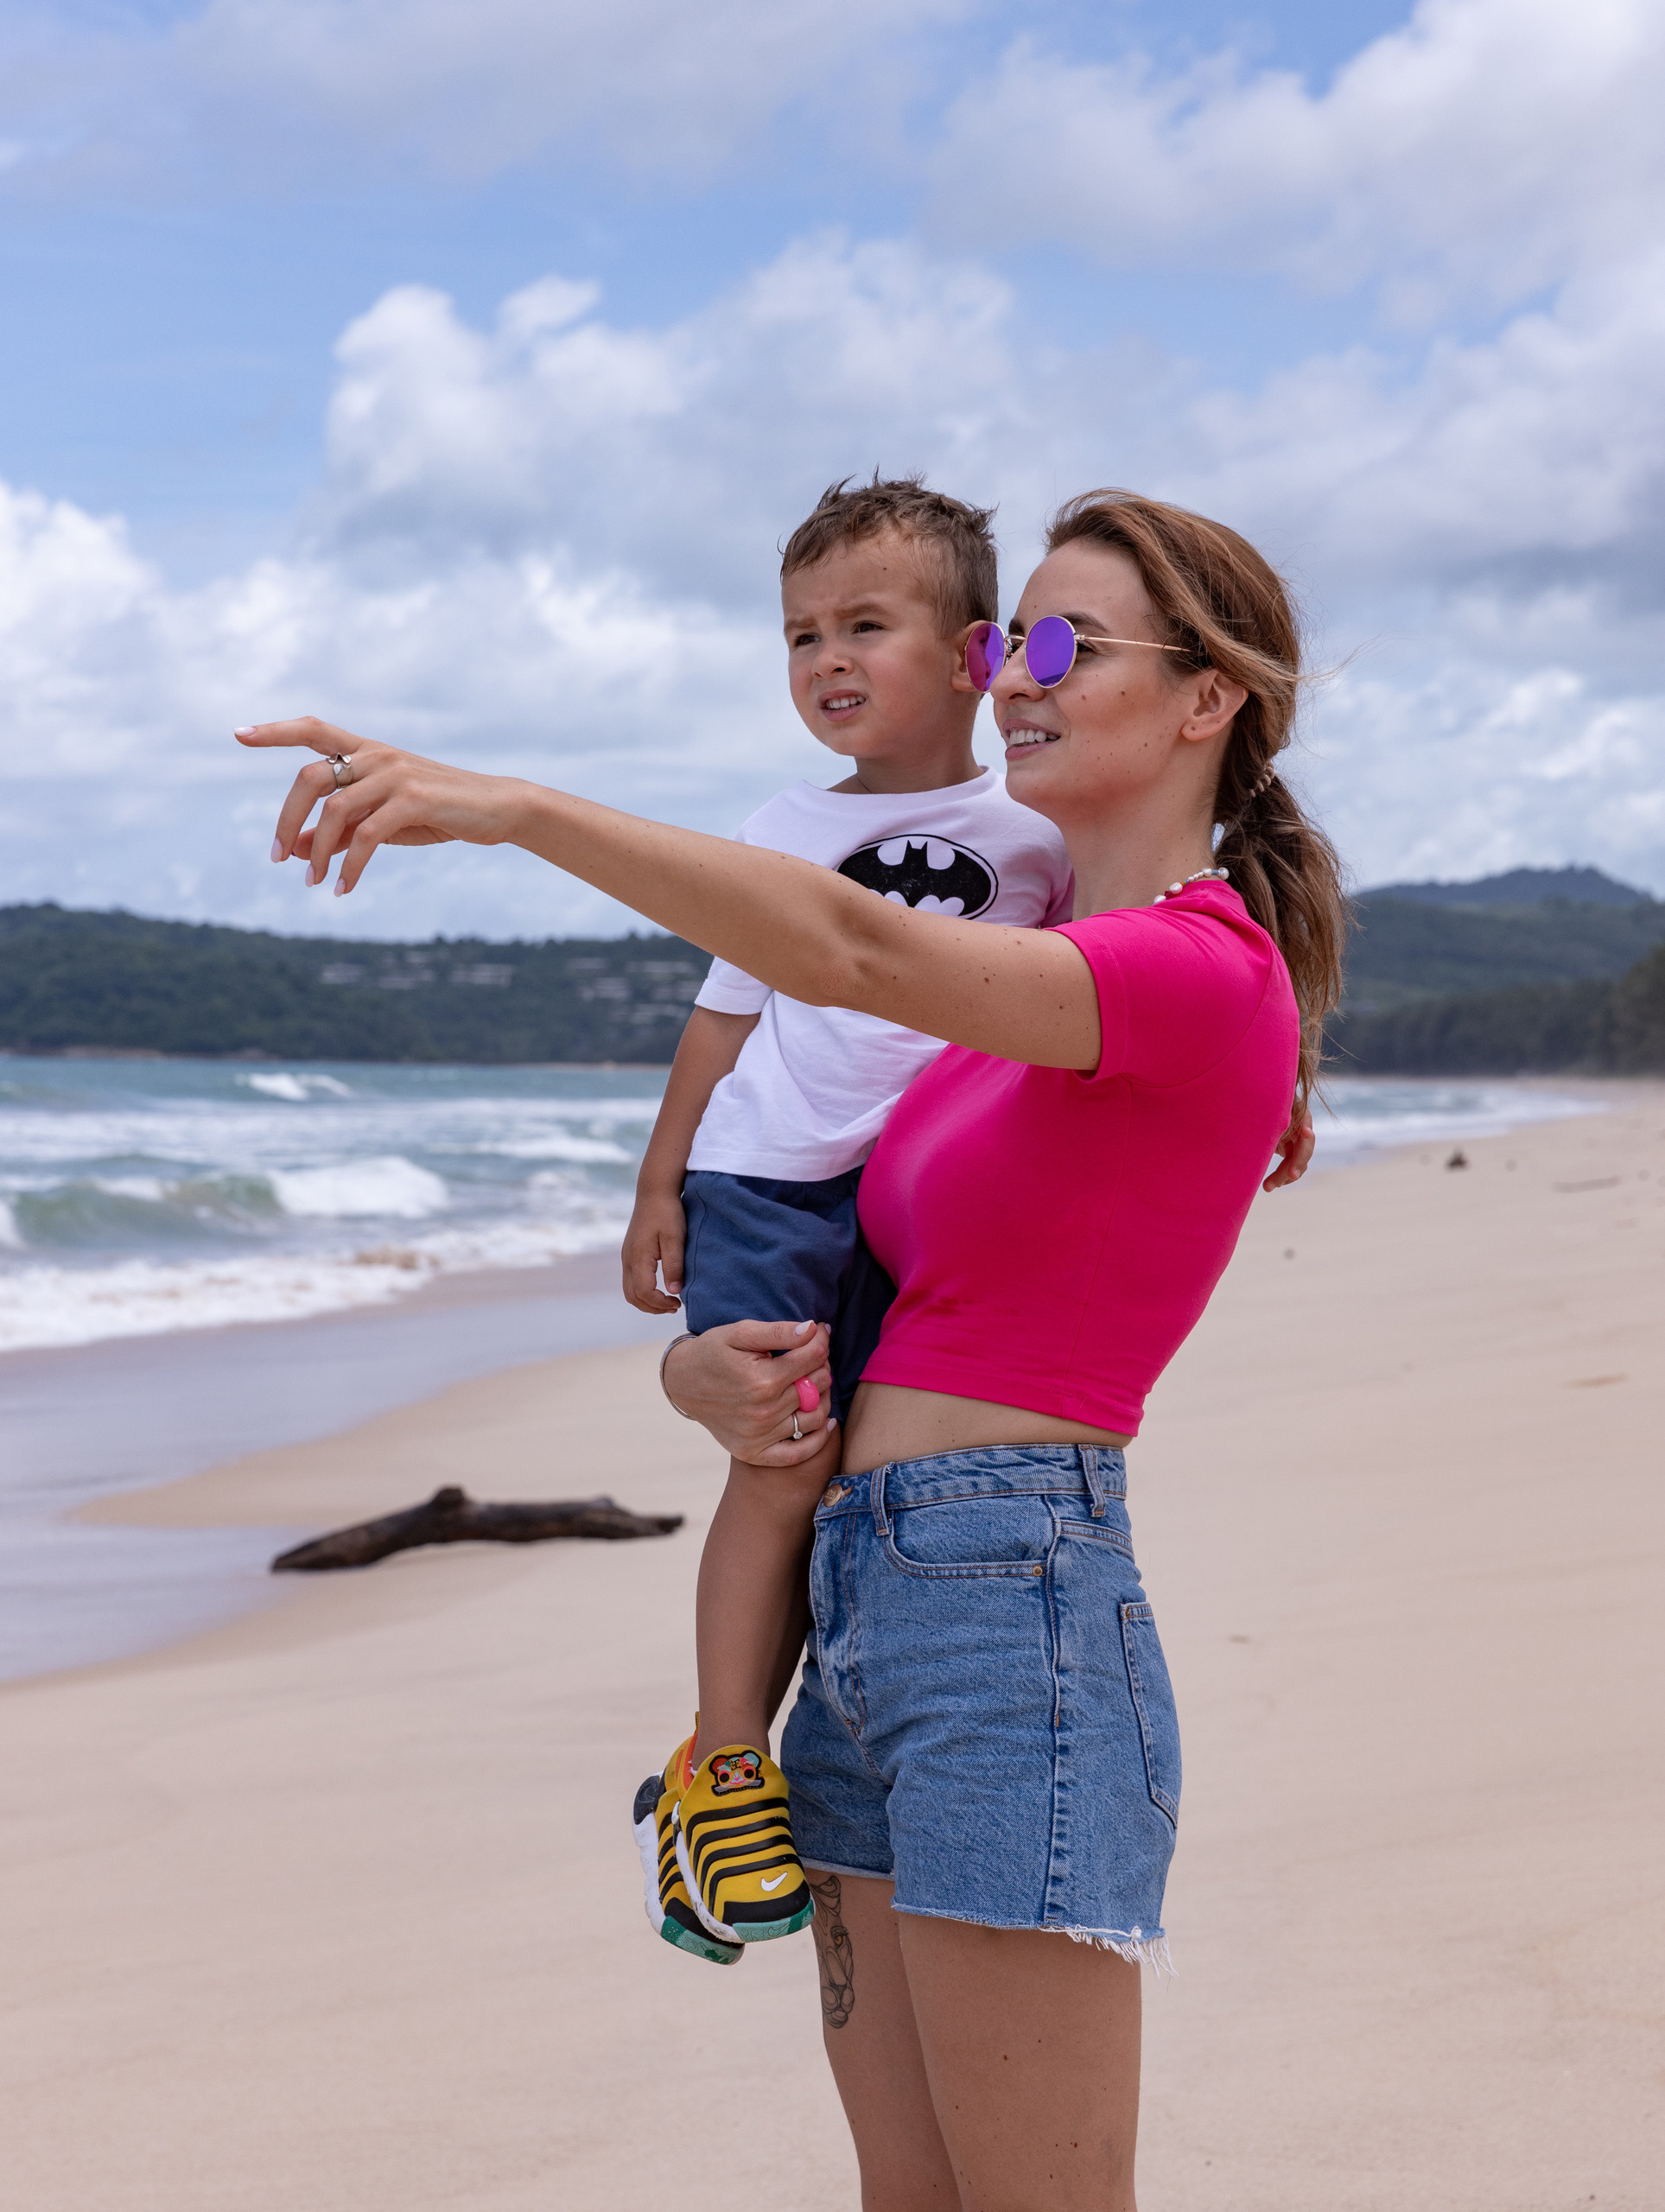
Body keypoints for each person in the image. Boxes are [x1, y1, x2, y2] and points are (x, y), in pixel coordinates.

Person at [238, 486, 1342, 2211]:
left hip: (1010, 1606)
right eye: (1009, 643)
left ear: (1207, 697)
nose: (1016, 676)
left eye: (1063, 644)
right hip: (867, 1601)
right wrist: (701, 1373)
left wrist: (514, 806)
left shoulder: (1196, 969)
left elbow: (841, 936)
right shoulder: (1011, 1002)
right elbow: (845, 1275)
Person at [619, 475, 1072, 1964]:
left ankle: (793, 1750)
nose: (826, 658)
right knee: (785, 1451)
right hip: (769, 1178)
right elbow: (722, 1013)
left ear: (974, 653)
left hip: (923, 1195)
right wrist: (660, 1181)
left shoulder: (1035, 833)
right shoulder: (780, 825)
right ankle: (724, 1761)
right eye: (803, 632)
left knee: (876, 1474)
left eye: (865, 624)